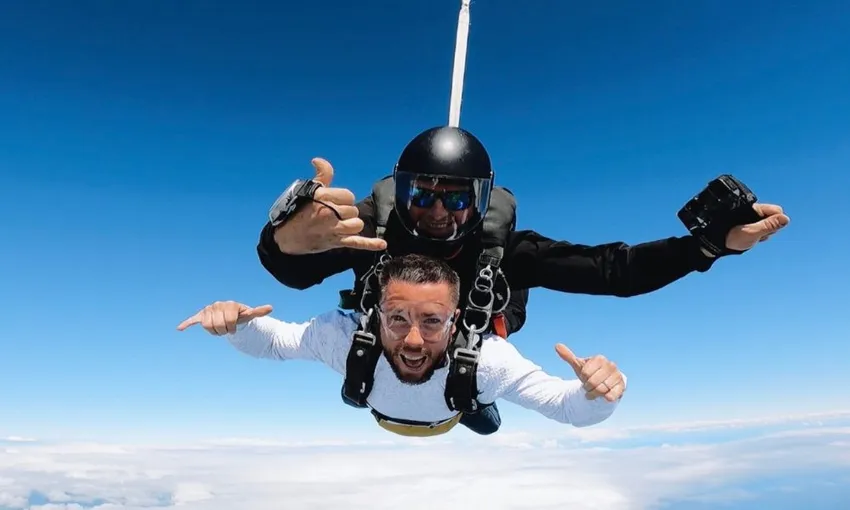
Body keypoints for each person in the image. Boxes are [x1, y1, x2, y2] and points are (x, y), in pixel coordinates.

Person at [254, 125, 789, 434]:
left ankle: (470, 395)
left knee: (478, 398)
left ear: (481, 201)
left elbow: (614, 271)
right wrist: (285, 238)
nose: (439, 212)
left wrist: (706, 245)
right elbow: (293, 272)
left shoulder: (504, 249)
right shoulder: (368, 231)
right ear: (402, 192)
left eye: (458, 197)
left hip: (475, 348)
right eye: (424, 194)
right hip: (395, 342)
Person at [176, 254, 627, 437]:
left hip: (458, 401)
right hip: (386, 397)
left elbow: (570, 409)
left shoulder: (488, 361)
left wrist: (598, 392)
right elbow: (276, 342)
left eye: (432, 321)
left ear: (455, 323)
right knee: (361, 383)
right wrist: (234, 325)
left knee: (486, 419)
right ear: (376, 315)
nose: (413, 339)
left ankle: (467, 401)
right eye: (398, 318)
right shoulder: (348, 338)